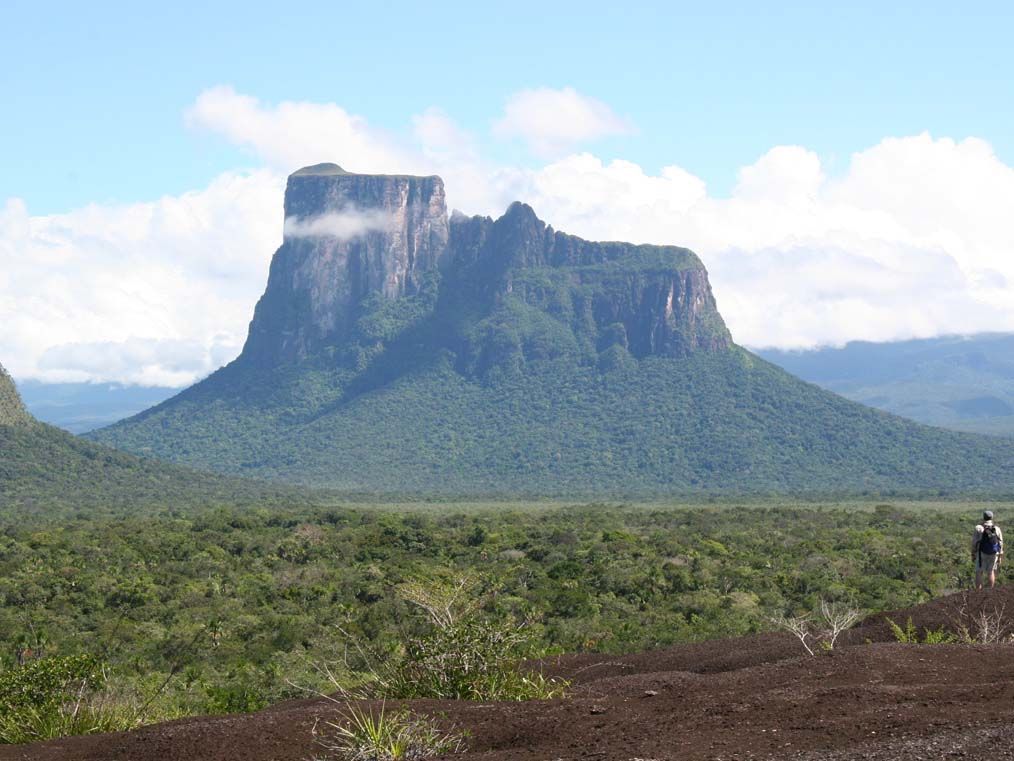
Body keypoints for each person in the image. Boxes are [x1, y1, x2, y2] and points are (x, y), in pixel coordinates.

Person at [972, 510, 1004, 590]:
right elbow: (1000, 543)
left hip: (981, 553)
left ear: (983, 517)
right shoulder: (996, 528)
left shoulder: (978, 528)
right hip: (993, 553)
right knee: (991, 571)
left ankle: (978, 592)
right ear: (992, 517)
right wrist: (1000, 556)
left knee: (979, 571)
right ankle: (990, 591)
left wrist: (973, 554)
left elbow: (974, 543)